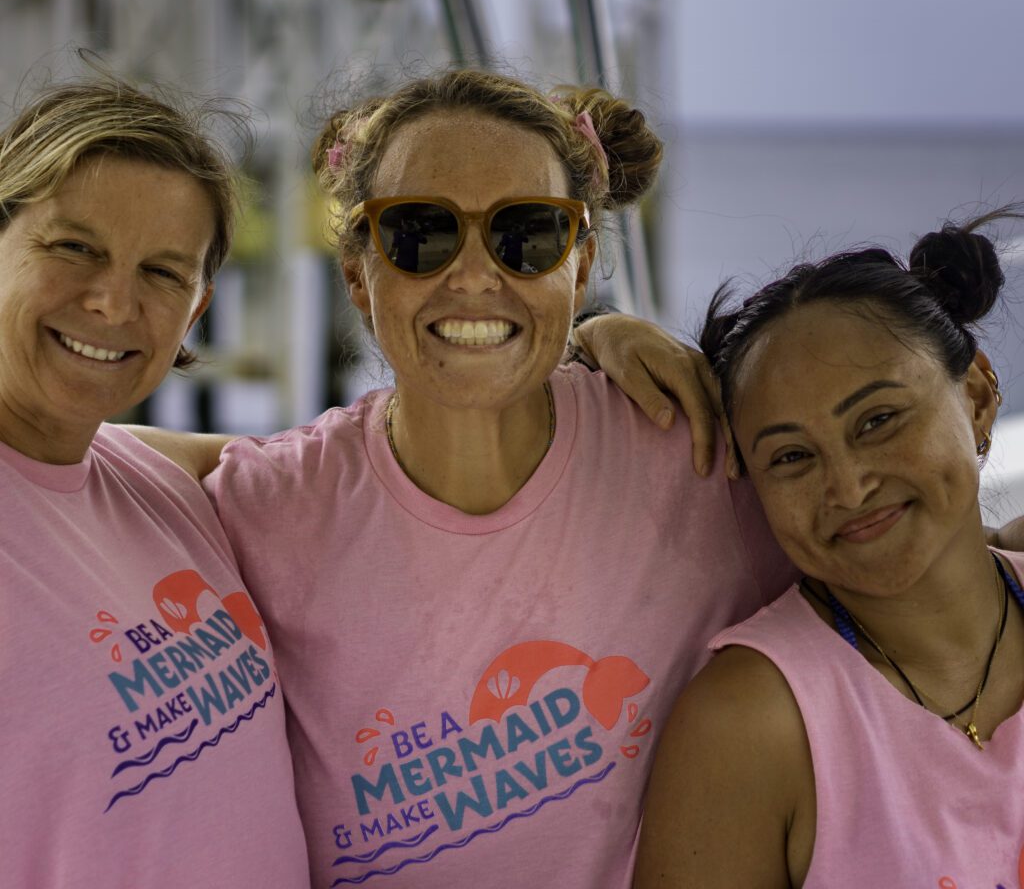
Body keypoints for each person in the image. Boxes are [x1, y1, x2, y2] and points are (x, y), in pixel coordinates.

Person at [184, 69, 797, 889]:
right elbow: (76, 456)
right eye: (418, 234)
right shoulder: (270, 507)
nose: (474, 275)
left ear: (578, 272)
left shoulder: (690, 452)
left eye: (528, 235)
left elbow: (906, 560)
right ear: (359, 277)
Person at [635, 210, 1024, 887]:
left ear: (978, 396)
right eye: (791, 456)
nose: (848, 486)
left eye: (878, 420)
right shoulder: (751, 725)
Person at [0, 79, 309, 886]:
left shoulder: (153, 476)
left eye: (162, 273)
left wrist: (597, 355)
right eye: (75, 248)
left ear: (197, 309)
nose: (112, 301)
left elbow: (370, 465)